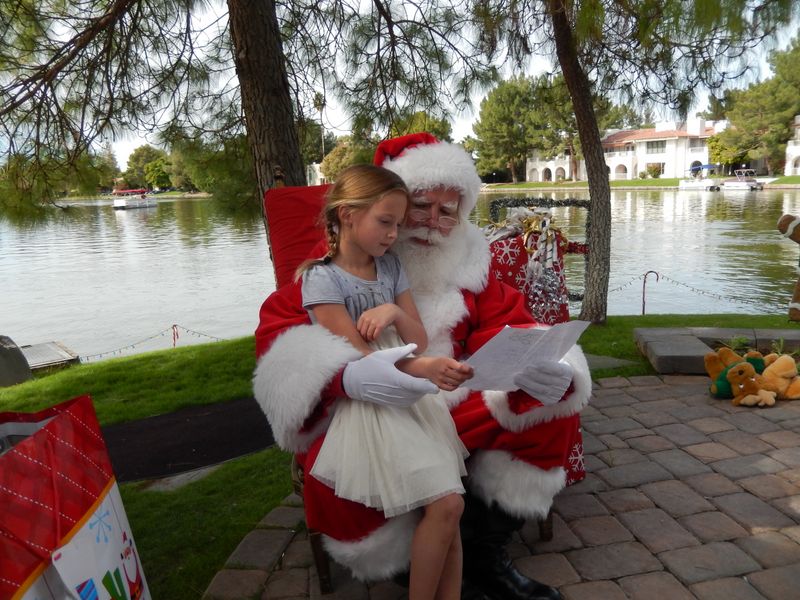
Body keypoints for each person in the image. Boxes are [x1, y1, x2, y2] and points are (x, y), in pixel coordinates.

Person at [254, 133, 592, 600]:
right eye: (419, 206)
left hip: (454, 399)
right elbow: (283, 339)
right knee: (348, 466)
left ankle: (484, 555)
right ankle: (411, 567)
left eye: (448, 210)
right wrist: (345, 375)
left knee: (547, 410)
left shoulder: (466, 266)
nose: (432, 223)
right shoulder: (337, 267)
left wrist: (547, 365)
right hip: (375, 406)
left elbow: (509, 322)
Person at [298, 163, 472, 599]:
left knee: (449, 508)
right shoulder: (322, 278)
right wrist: (427, 369)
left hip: (412, 397)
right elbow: (360, 361)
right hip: (371, 403)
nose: (394, 234)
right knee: (448, 504)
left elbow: (417, 336)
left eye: (397, 223)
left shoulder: (390, 266)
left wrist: (394, 312)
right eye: (385, 222)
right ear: (347, 214)